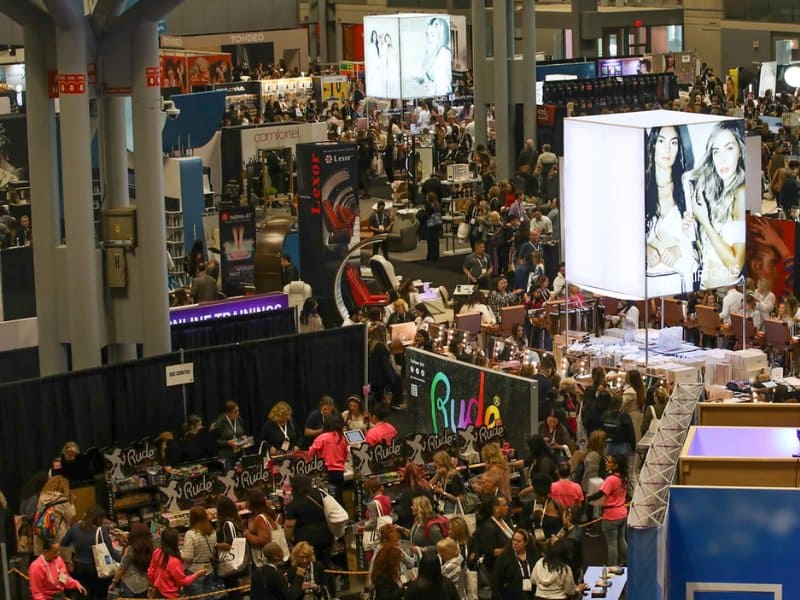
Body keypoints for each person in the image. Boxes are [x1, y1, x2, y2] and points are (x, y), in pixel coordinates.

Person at [685, 121, 746, 289]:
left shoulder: (742, 193)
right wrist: (693, 225)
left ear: (740, 150)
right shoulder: (715, 192)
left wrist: (704, 221)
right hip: (706, 286)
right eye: (716, 151)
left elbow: (735, 267)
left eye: (729, 148)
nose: (722, 159)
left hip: (729, 291)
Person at [644, 125, 696, 296]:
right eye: (661, 141)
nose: (667, 149)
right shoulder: (639, 188)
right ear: (652, 145)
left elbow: (698, 243)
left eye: (673, 143)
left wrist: (678, 250)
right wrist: (644, 248)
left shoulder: (686, 189)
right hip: (648, 283)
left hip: (679, 284)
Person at [60, 505, 120, 600]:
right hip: (96, 570)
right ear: (99, 518)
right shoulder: (101, 531)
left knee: (84, 594)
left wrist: (70, 558)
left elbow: (63, 543)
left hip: (79, 568)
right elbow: (111, 553)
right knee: (100, 595)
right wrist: (122, 561)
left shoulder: (74, 528)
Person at [586, 454, 629, 566]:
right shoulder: (623, 477)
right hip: (622, 512)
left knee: (612, 543)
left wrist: (588, 498)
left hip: (611, 515)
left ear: (615, 466)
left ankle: (612, 567)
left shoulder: (611, 479)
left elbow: (601, 493)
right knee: (621, 539)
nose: (606, 463)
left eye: (609, 462)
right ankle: (627, 560)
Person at [285, 475, 334, 566]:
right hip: (326, 535)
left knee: (310, 566)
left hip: (306, 541)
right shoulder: (319, 494)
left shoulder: (294, 503)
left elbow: (289, 525)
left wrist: (288, 539)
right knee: (326, 564)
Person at [148, 527, 210, 598]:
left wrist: (153, 585)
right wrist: (197, 574)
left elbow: (151, 571)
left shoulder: (157, 552)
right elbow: (183, 581)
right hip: (170, 595)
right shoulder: (174, 561)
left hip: (158, 592)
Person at [307, 414, 349, 502]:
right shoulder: (342, 438)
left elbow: (310, 453)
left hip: (327, 473)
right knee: (339, 497)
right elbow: (345, 454)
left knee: (330, 500)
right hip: (340, 473)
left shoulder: (322, 438)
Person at [33, 475, 76, 560]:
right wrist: (71, 503)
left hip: (41, 536)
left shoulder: (42, 497)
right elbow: (71, 518)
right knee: (59, 566)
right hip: (58, 537)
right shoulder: (62, 500)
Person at [490, 528, 540, 600]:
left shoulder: (534, 556)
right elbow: (496, 580)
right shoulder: (504, 557)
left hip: (531, 595)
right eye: (513, 540)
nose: (515, 543)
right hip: (510, 595)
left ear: (525, 543)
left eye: (518, 541)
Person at [180, 506, 217, 597]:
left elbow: (188, 557)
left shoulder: (191, 534)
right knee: (209, 597)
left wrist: (180, 553)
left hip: (194, 572)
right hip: (209, 569)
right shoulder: (213, 532)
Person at [110, 522, 152, 599]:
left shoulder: (131, 549)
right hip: (144, 585)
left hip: (129, 586)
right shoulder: (150, 549)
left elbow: (122, 568)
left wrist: (114, 583)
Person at [215, 496, 244, 600]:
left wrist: (216, 545)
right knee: (234, 588)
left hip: (230, 562)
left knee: (232, 589)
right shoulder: (235, 521)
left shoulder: (227, 524)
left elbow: (231, 544)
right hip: (237, 561)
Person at [476, 495, 514, 575]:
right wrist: (512, 549)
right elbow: (491, 552)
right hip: (497, 567)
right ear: (496, 508)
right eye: (504, 505)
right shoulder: (488, 527)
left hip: (511, 562)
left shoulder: (506, 521)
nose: (507, 507)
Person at [244, 488, 280, 567]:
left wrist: (247, 534)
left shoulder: (260, 518)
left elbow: (262, 540)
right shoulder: (265, 514)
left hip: (265, 561)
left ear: (252, 502)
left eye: (247, 500)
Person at [367, 323, 400, 406]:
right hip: (379, 379)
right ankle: (395, 404)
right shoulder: (381, 347)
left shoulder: (369, 343)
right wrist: (392, 378)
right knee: (397, 379)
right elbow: (385, 366)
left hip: (369, 377)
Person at [395, 463, 435, 529]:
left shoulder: (407, 492)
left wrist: (396, 509)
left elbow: (405, 513)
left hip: (414, 525)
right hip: (430, 522)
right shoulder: (427, 486)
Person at [211, 400, 246, 468]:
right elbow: (214, 442)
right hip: (225, 457)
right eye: (235, 412)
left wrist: (243, 438)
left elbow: (240, 433)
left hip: (239, 454)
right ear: (228, 413)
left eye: (238, 410)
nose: (238, 413)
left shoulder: (239, 419)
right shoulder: (220, 422)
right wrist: (227, 443)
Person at [621, 370, 646, 447]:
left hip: (630, 417)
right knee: (637, 437)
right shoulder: (641, 388)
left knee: (631, 438)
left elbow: (621, 405)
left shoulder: (629, 392)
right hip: (639, 416)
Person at [423, 191, 442, 261]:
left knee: (430, 241)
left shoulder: (428, 205)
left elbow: (427, 214)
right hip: (437, 224)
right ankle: (436, 255)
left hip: (431, 225)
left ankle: (431, 256)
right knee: (436, 241)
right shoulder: (437, 204)